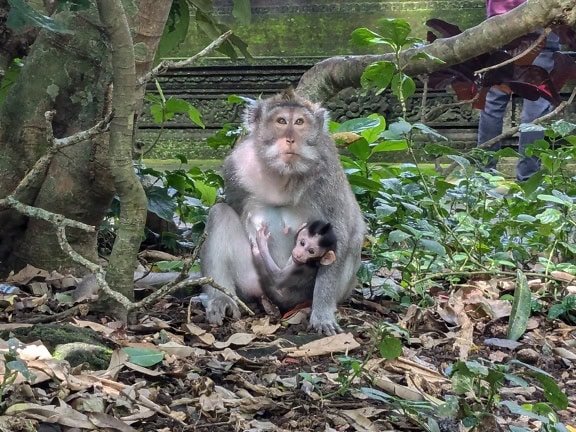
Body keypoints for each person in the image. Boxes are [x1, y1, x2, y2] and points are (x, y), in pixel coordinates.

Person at [478, 0, 560, 181]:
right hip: (541, 19)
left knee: (493, 102)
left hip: (500, 22)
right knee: (536, 105)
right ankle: (528, 180)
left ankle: (483, 178)